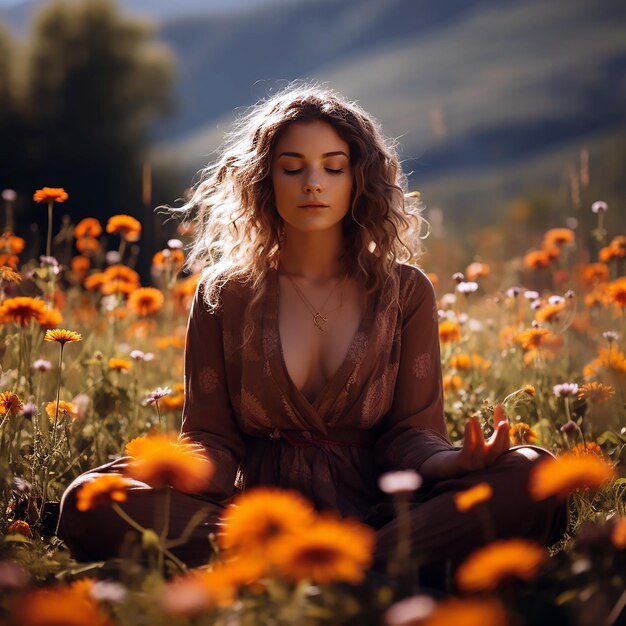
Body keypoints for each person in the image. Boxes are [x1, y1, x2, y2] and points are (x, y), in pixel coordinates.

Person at [57, 84, 568, 579]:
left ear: (359, 179)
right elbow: (210, 438)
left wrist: (455, 460)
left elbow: (412, 435)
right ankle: (351, 568)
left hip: (387, 517)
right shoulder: (224, 294)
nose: (313, 184)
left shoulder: (405, 290)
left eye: (333, 167)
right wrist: (165, 474)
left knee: (535, 472)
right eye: (292, 168)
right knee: (88, 498)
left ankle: (349, 562)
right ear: (263, 181)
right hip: (261, 521)